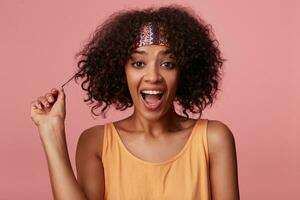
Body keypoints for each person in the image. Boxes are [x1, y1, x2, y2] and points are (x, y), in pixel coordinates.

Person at [30, 5, 239, 200]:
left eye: (168, 64)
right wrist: (51, 131)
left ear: (184, 71)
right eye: (139, 63)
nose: (153, 76)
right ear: (121, 72)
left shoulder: (213, 139)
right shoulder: (96, 143)